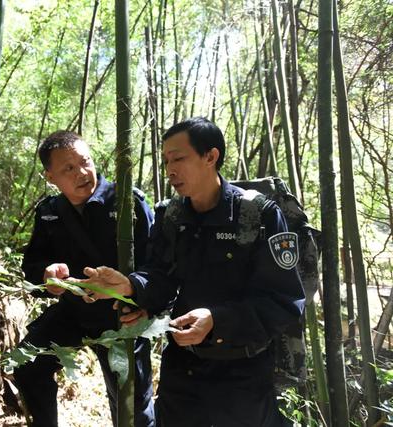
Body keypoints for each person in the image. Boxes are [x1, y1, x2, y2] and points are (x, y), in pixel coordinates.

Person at [81, 117, 305, 426]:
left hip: (243, 373)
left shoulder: (258, 215)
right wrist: (131, 286)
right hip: (183, 369)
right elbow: (160, 275)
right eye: (166, 160)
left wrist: (217, 321)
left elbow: (283, 302)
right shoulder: (171, 215)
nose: (170, 169)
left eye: (179, 158)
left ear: (210, 157)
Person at [13, 130, 156, 427]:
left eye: (86, 162)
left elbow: (158, 265)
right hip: (73, 311)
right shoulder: (50, 212)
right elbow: (32, 266)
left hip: (122, 315)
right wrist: (46, 276)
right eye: (68, 168)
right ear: (50, 177)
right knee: (27, 364)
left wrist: (144, 301)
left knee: (130, 405)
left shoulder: (127, 202)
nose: (82, 173)